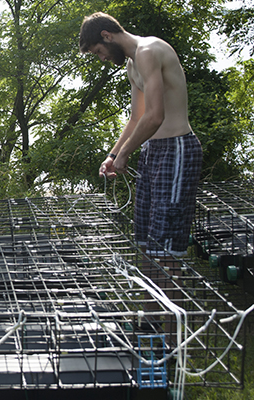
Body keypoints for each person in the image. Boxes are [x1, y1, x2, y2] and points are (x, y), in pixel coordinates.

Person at [79, 13, 202, 333]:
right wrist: (113, 155)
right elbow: (137, 118)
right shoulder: (133, 65)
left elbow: (157, 116)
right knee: (146, 240)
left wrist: (126, 154)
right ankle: (150, 320)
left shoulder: (148, 52)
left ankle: (174, 337)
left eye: (98, 52)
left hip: (176, 149)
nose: (102, 59)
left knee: (167, 246)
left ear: (107, 36)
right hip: (153, 153)